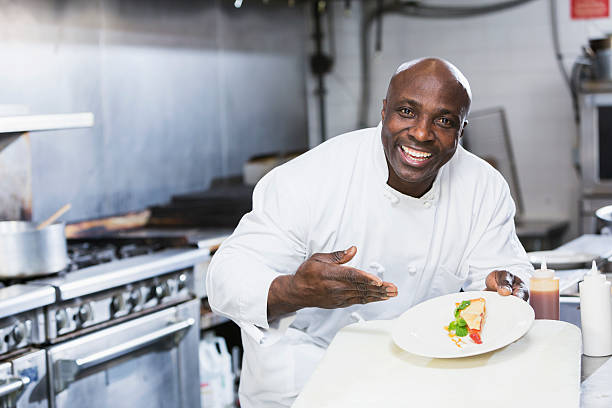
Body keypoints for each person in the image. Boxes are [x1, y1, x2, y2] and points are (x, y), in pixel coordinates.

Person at [206, 57, 533, 407]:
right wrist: (296, 291)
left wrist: (503, 287)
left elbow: (502, 274)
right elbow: (225, 276)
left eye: (443, 120)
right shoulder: (310, 178)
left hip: (416, 385)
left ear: (461, 130)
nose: (422, 133)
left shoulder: (483, 187)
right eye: (407, 112)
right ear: (383, 110)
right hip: (305, 385)